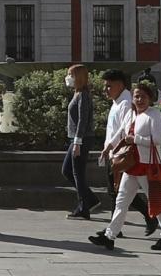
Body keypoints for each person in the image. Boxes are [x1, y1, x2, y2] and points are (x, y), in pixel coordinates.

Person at [90, 84, 161, 252]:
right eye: (136, 96)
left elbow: (158, 139)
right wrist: (108, 147)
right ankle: (109, 236)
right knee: (121, 201)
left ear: (150, 98)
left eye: (143, 96)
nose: (139, 100)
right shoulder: (130, 113)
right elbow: (120, 132)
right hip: (131, 165)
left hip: (148, 166)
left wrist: (135, 139)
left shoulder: (154, 114)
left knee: (156, 203)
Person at [96, 68, 152, 235]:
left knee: (120, 192)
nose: (105, 89)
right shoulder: (118, 102)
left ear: (120, 85)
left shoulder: (127, 102)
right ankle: (116, 229)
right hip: (114, 153)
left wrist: (112, 147)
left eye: (108, 86)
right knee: (118, 191)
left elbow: (125, 129)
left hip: (122, 154)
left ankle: (149, 217)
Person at [61, 64, 98, 218]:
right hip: (76, 138)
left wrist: (77, 142)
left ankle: (84, 207)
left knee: (76, 173)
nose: (68, 78)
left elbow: (83, 120)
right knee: (68, 171)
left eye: (71, 75)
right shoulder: (77, 94)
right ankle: (90, 200)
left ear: (78, 77)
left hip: (81, 139)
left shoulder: (83, 95)